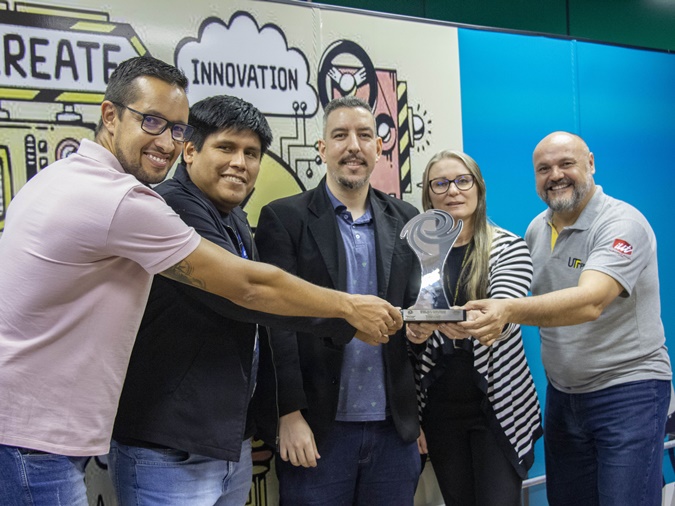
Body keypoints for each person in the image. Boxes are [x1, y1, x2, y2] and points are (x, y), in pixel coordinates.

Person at [0, 57, 401, 506]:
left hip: (56, 436)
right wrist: (348, 310)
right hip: (47, 440)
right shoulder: (124, 201)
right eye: (151, 121)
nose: (166, 141)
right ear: (110, 115)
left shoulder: (69, 178)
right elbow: (246, 289)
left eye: (176, 128)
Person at [109, 95, 361, 505]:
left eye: (251, 153)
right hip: (169, 451)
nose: (240, 163)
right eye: (226, 147)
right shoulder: (171, 207)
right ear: (190, 151)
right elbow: (246, 294)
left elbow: (264, 322)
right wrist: (349, 314)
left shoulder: (235, 217)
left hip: (228, 445)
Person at [461, 131, 672, 506]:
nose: (555, 175)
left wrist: (506, 309)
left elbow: (591, 301)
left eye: (566, 164)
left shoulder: (622, 223)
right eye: (544, 169)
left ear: (590, 163)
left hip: (628, 392)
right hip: (564, 396)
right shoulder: (536, 230)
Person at [254, 96, 422, 505]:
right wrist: (288, 412)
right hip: (317, 430)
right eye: (340, 135)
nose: (353, 146)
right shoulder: (285, 219)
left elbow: (413, 309)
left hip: (394, 431)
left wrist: (421, 329)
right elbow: (274, 322)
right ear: (322, 148)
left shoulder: (406, 218)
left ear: (378, 148)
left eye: (364, 136)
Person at [406, 150, 542, 506]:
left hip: (499, 407)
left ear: (479, 189)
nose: (453, 190)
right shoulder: (415, 256)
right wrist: (414, 333)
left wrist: (450, 320)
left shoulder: (509, 248)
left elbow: (503, 312)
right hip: (438, 411)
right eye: (440, 183)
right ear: (428, 194)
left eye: (462, 181)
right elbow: (408, 330)